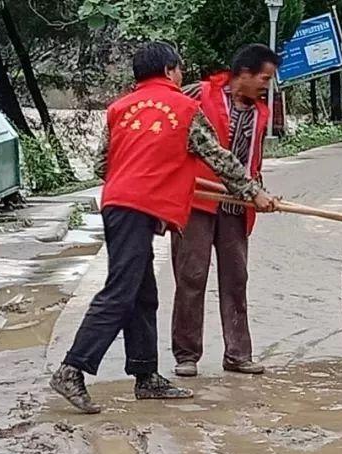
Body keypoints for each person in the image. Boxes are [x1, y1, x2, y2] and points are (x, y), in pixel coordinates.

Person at [50, 42, 277, 414]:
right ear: (171, 70)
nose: (182, 75)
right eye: (180, 69)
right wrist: (254, 192)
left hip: (117, 205)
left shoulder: (119, 108)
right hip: (139, 208)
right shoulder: (186, 109)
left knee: (143, 295)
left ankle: (146, 376)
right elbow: (219, 157)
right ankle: (72, 368)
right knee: (120, 293)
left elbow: (101, 166)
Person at [169, 44, 277, 377]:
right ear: (243, 73)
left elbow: (250, 160)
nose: (266, 86)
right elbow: (166, 111)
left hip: (236, 204)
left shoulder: (260, 112)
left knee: (236, 278)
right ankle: (186, 354)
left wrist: (258, 190)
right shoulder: (199, 93)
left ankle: (238, 354)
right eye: (264, 77)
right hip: (197, 199)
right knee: (192, 276)